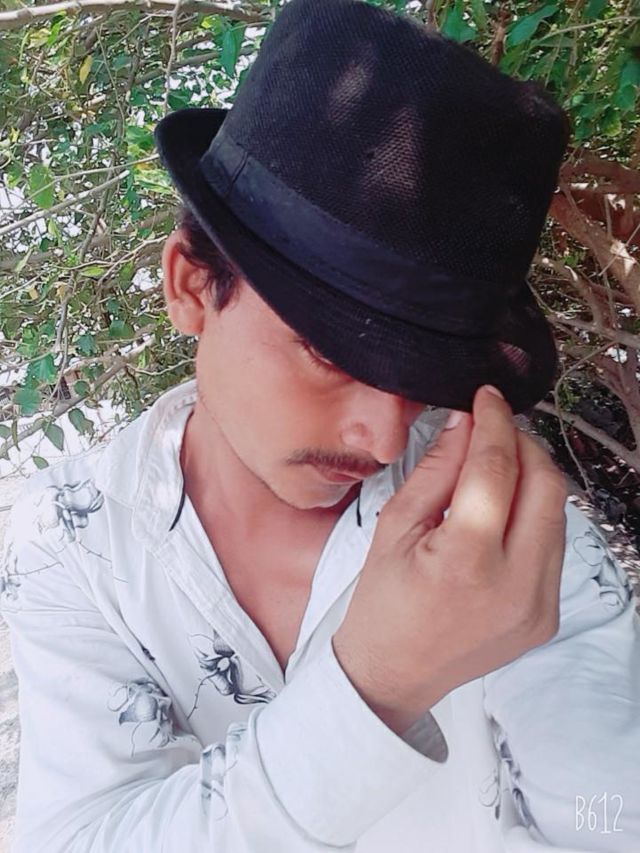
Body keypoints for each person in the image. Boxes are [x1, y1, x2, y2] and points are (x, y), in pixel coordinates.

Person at [1, 0, 639, 851]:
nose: (385, 438)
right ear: (191, 287)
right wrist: (376, 684)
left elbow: (611, 817)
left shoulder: (507, 534)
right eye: (330, 352)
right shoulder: (75, 541)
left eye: (422, 375)